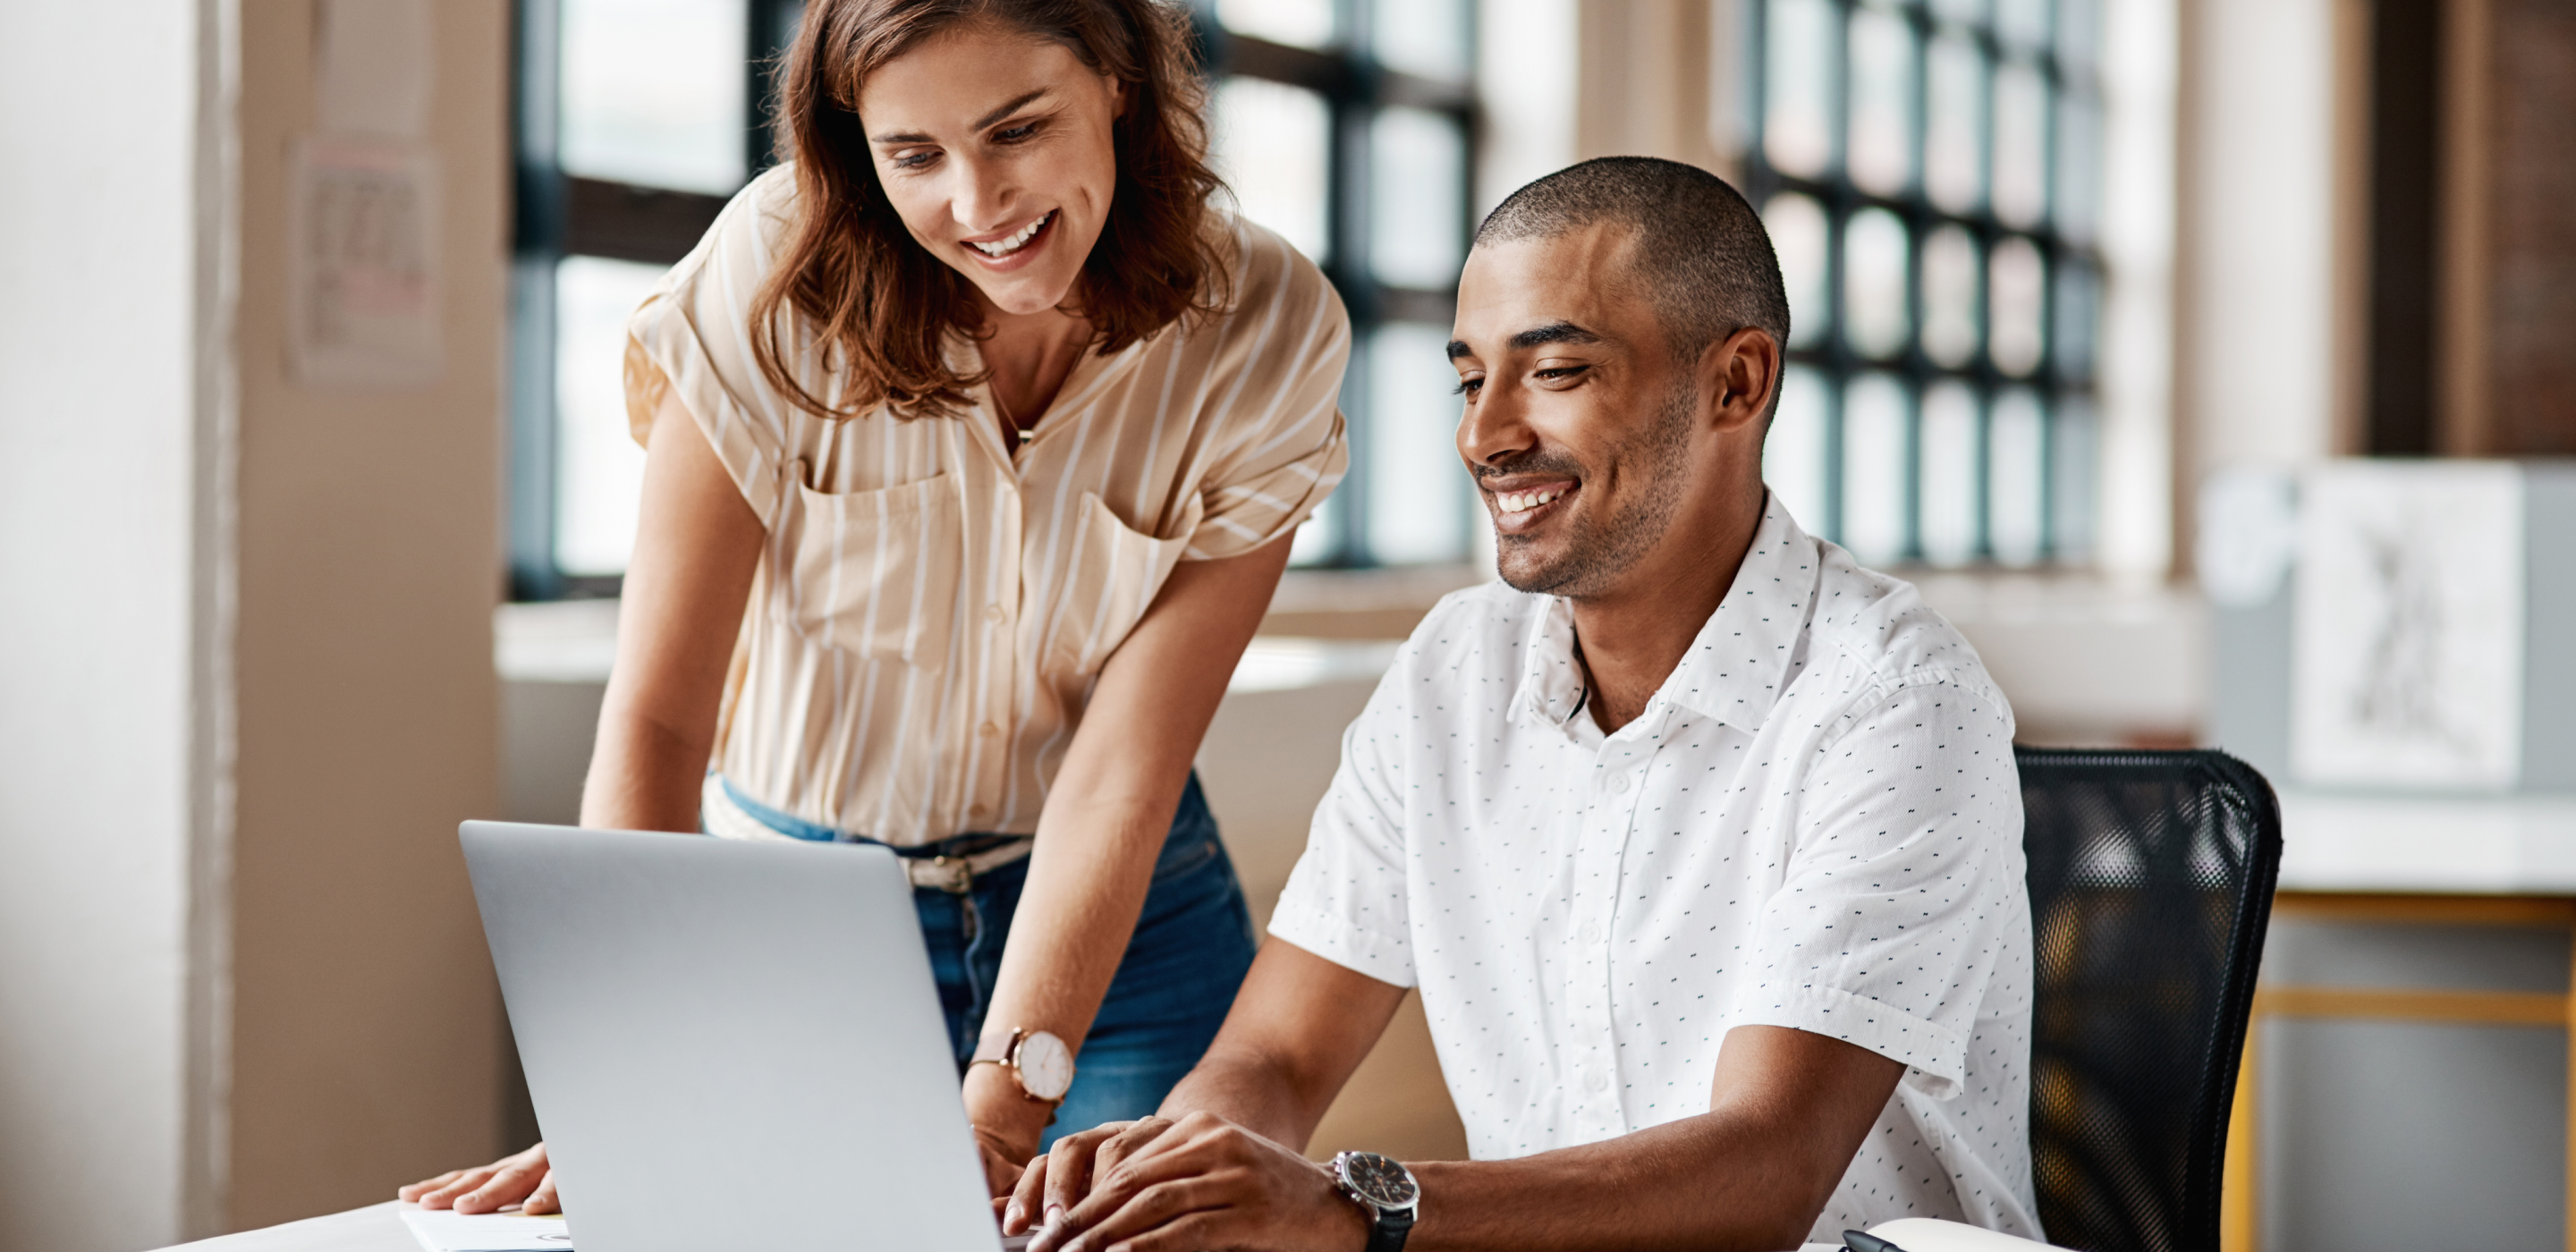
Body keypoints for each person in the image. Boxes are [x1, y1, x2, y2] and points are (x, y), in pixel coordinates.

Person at [402, 0, 1350, 1215]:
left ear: (1117, 82)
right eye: (915, 155)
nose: (978, 203)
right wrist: (629, 1083)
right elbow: (658, 723)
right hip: (802, 925)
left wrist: (1006, 1105)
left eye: (1017, 129)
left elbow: (1126, 767)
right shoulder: (774, 278)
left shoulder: (1266, 327)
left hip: (1125, 928)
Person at [1003, 156, 2039, 1252]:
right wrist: (1167, 1180)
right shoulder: (1454, 668)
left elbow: (1765, 1168)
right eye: (1468, 379)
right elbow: (1278, 1057)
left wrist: (1348, 1206)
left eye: (1553, 372)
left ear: (1736, 383)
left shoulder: (1897, 700)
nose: (1484, 434)